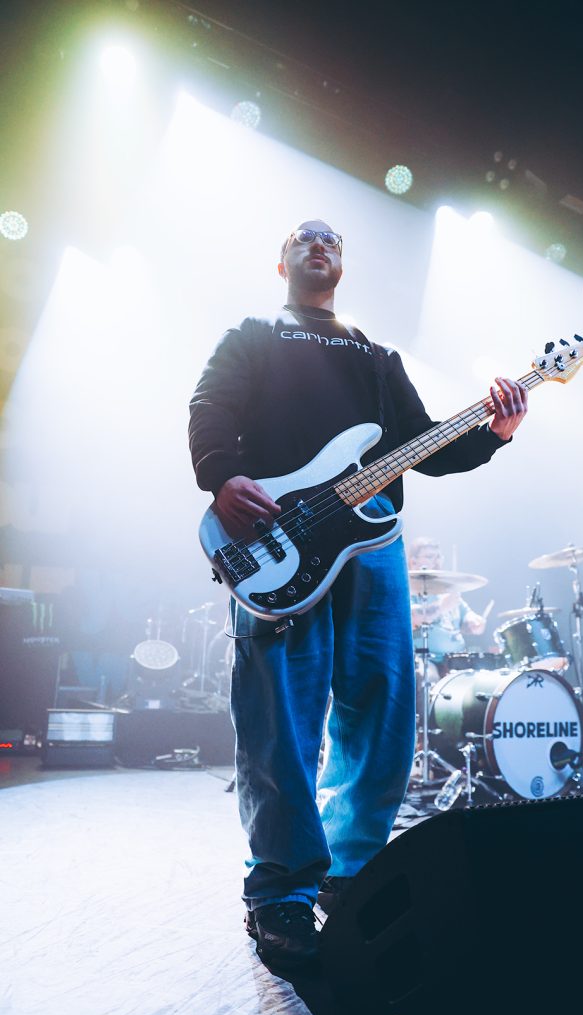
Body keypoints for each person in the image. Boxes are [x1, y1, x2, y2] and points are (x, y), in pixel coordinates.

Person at [188, 219, 528, 969]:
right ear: (280, 260)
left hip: (374, 546)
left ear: (342, 263)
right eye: (306, 240)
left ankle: (350, 875)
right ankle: (279, 893)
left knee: (381, 707)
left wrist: (493, 432)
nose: (320, 247)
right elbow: (209, 404)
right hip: (279, 540)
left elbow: (427, 444)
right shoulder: (252, 334)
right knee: (281, 716)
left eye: (333, 241)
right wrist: (219, 477)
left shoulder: (375, 354)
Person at [408, 536, 488, 671]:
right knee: (424, 675)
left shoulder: (448, 592)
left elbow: (467, 619)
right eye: (429, 556)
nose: (436, 561)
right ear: (413, 562)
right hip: (426, 660)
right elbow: (411, 618)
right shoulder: (408, 590)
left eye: (439, 556)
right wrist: (441, 606)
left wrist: (475, 623)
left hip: (457, 660)